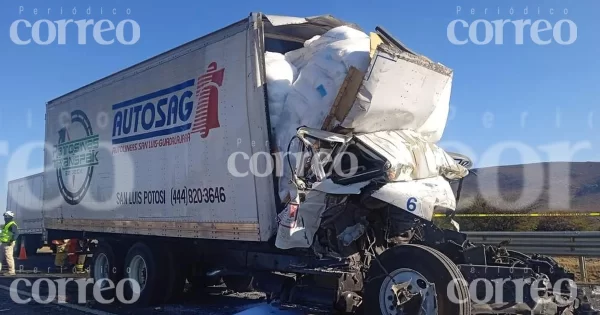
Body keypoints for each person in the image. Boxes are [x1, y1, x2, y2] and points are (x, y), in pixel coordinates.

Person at [0, 211, 18, 275]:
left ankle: (11, 271)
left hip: (8, 243)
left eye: (6, 216)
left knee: (9, 257)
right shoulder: (7, 224)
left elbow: (16, 234)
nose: (5, 218)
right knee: (0, 257)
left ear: (9, 217)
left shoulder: (12, 224)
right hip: (3, 243)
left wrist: (11, 241)